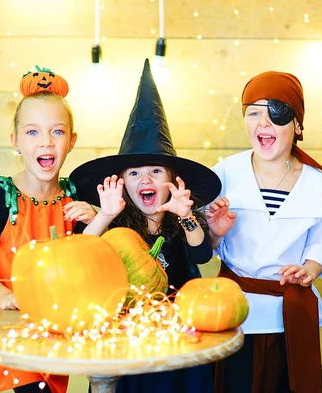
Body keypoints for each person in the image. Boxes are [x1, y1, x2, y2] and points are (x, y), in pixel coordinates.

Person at [70, 59, 221, 393]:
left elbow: (201, 255)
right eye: (134, 173)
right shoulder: (114, 222)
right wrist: (104, 215)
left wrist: (185, 215)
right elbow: (79, 256)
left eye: (155, 171)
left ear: (171, 180)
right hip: (128, 337)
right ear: (122, 182)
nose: (145, 179)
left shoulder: (180, 218)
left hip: (179, 333)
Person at [206, 71, 322, 393]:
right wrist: (215, 232)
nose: (263, 123)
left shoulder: (320, 184)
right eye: (254, 113)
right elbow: (208, 245)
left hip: (287, 312)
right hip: (232, 308)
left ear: (297, 124)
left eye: (275, 113)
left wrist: (308, 270)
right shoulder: (224, 173)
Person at [0, 67, 96, 393]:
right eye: (33, 132)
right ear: (16, 141)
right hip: (11, 325)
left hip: (56, 324)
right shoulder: (0, 196)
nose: (46, 142)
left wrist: (98, 214)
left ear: (72, 141)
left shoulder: (75, 196)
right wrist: (8, 298)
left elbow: (88, 260)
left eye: (57, 132)